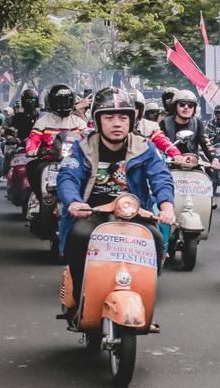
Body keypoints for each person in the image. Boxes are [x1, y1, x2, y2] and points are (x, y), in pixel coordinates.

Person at [57, 87, 175, 305]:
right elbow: (67, 177)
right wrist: (74, 202)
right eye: (109, 117)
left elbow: (161, 177)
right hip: (91, 213)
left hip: (134, 213)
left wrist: (166, 206)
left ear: (131, 120)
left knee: (156, 238)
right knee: (79, 237)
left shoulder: (145, 148)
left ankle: (145, 296)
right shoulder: (82, 147)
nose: (117, 123)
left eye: (123, 117)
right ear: (97, 121)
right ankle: (81, 299)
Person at [25, 84, 89, 212]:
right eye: (59, 102)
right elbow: (33, 140)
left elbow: (88, 140)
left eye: (66, 102)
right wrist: (33, 150)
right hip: (49, 160)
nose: (62, 105)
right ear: (51, 102)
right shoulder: (42, 122)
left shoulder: (79, 123)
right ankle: (39, 197)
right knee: (31, 167)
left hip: (73, 162)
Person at [160, 89, 215, 161]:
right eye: (182, 104)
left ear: (194, 109)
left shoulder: (197, 123)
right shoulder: (164, 123)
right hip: (170, 162)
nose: (186, 107)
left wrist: (214, 160)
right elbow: (159, 142)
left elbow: (205, 142)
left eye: (190, 105)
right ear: (175, 107)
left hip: (192, 162)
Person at [132, 90, 186, 161]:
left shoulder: (150, 126)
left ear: (139, 110)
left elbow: (162, 141)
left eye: (133, 107)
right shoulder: (117, 126)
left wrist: (176, 155)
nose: (130, 110)